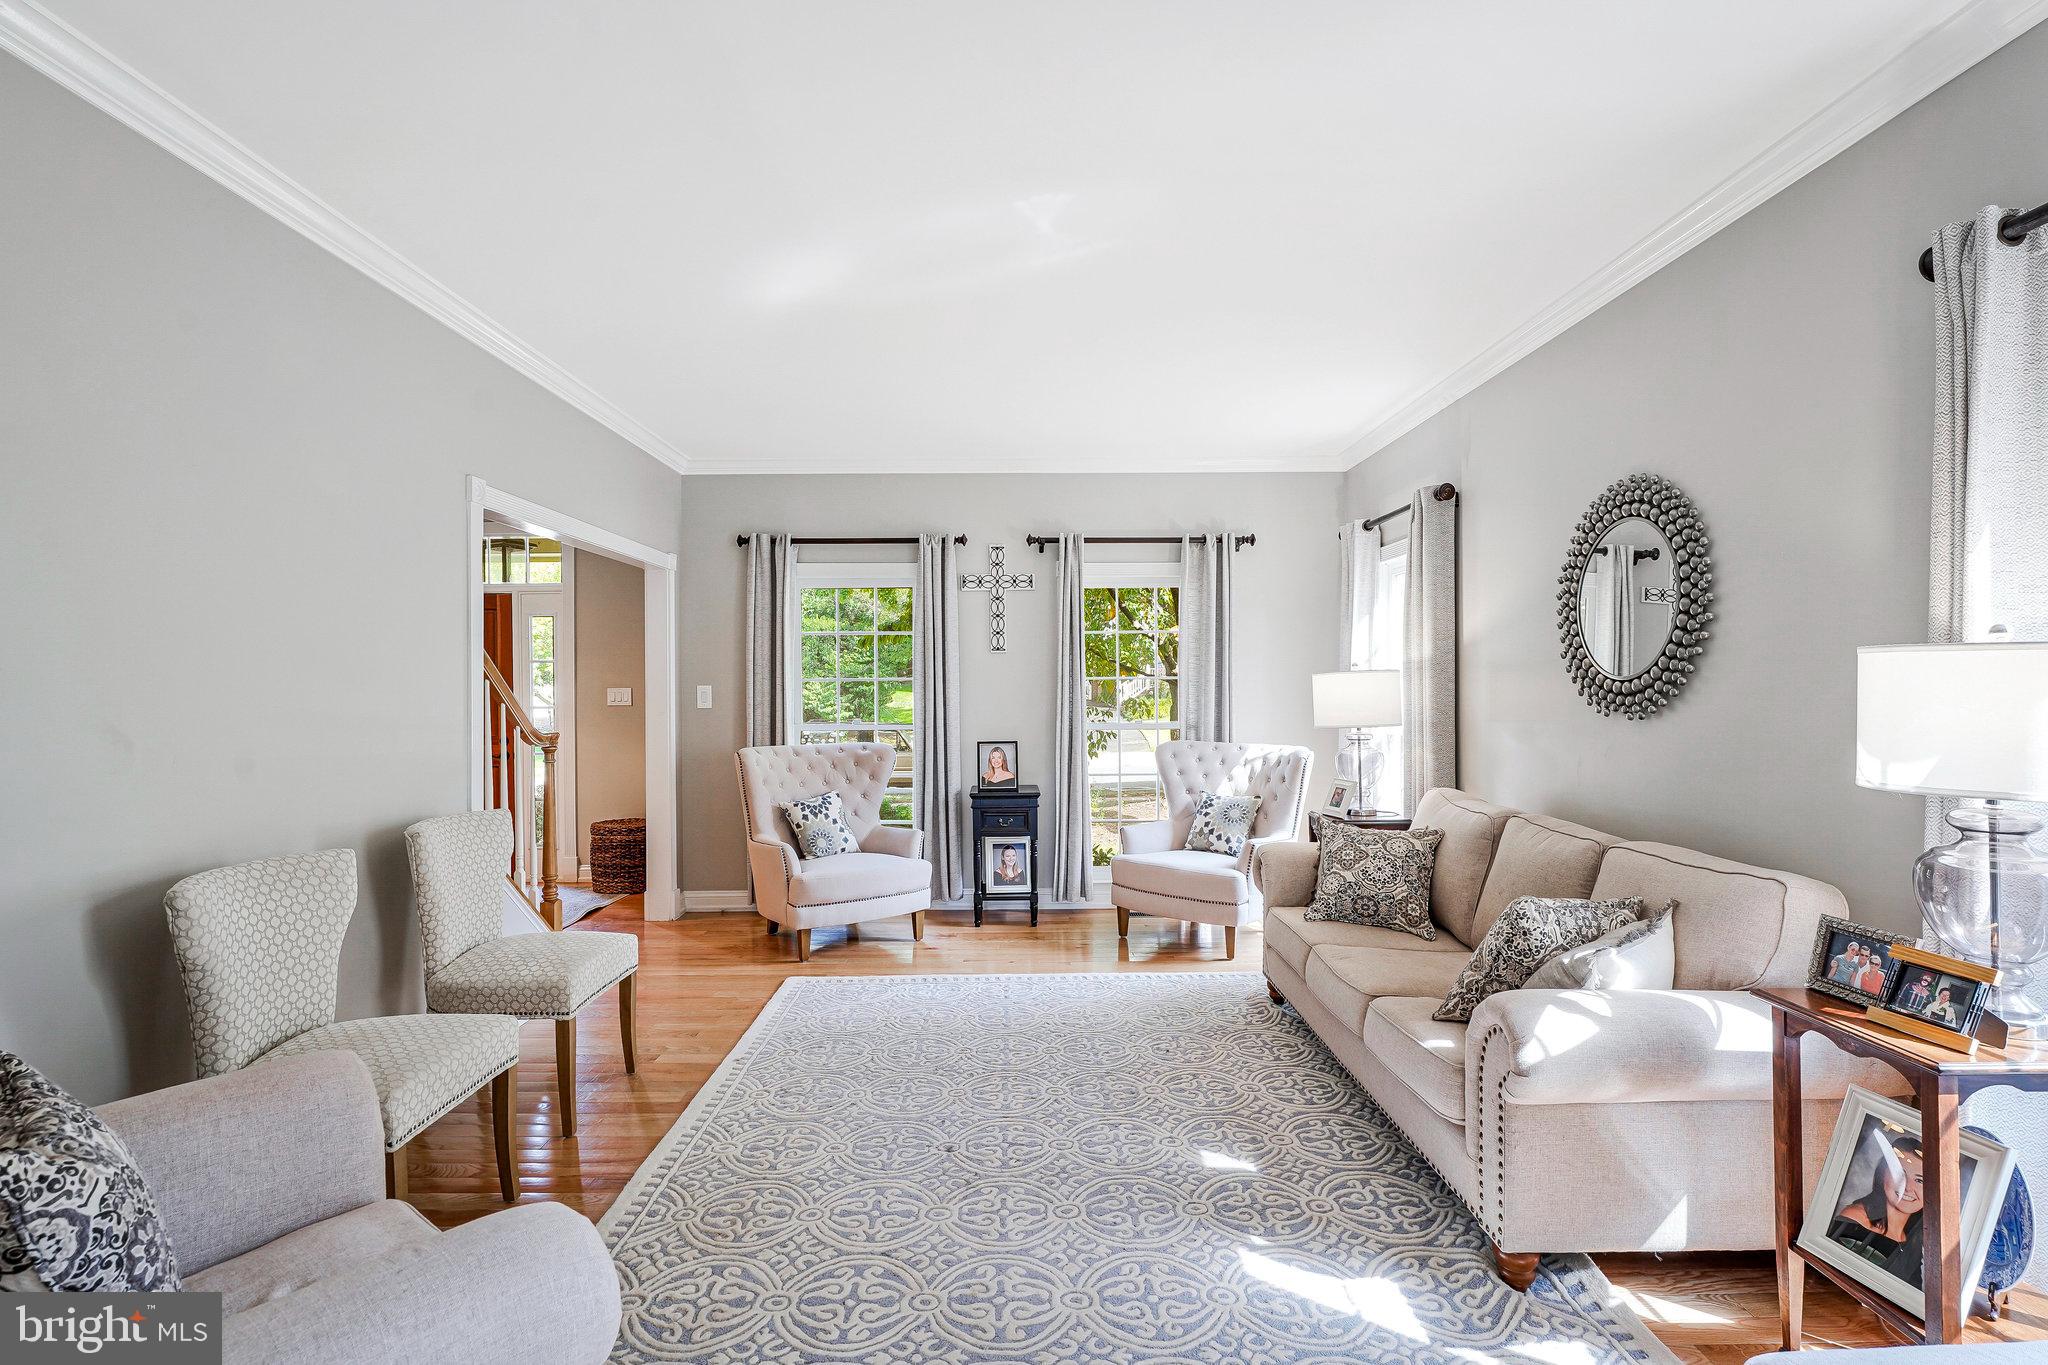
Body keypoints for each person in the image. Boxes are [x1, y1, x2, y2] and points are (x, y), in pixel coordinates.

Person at [1827, 1130, 1926, 1286]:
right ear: (1882, 1174)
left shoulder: (1915, 1240)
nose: (1907, 1187)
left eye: (1920, 1181)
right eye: (1899, 1174)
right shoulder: (1854, 1219)